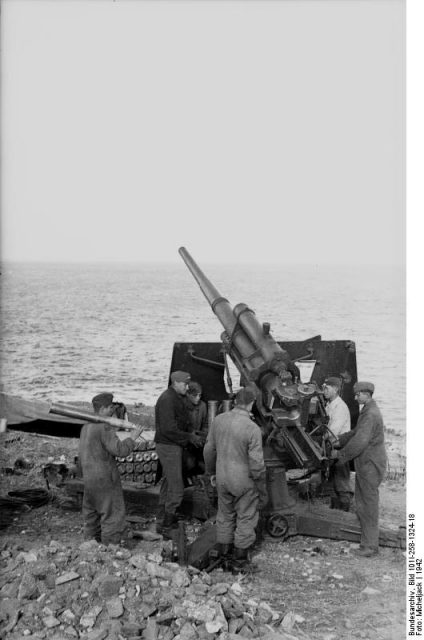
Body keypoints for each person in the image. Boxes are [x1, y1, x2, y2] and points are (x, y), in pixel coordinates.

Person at [203, 386, 267, 573]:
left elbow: (208, 450)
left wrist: (211, 472)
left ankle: (224, 555)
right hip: (243, 481)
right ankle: (239, 561)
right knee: (246, 516)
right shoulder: (252, 428)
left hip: (222, 477)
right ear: (251, 403)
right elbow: (256, 464)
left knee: (225, 515)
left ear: (235, 401)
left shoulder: (219, 420)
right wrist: (261, 485)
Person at [78, 392, 144, 545]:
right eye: (109, 407)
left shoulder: (85, 427)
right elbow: (120, 450)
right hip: (104, 478)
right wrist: (132, 437)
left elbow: (81, 455)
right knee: (112, 514)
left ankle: (90, 546)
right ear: (102, 409)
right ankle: (111, 549)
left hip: (89, 478)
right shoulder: (104, 426)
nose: (112, 411)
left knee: (91, 516)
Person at [334, 381, 387, 557]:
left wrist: (341, 457)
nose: (355, 398)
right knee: (364, 502)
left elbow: (360, 441)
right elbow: (356, 432)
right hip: (369, 463)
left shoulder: (370, 413)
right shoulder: (369, 410)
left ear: (366, 394)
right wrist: (339, 440)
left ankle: (370, 546)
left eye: (358, 395)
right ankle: (368, 542)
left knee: (367, 505)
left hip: (370, 465)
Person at [154, 371, 204, 537]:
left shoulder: (177, 397)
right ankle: (166, 525)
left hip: (172, 445)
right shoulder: (167, 400)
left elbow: (182, 422)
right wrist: (189, 437)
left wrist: (193, 433)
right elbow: (168, 429)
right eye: (184, 384)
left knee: (168, 482)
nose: (187, 387)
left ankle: (162, 518)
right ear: (175, 383)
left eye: (187, 384)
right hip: (168, 446)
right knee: (177, 487)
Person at [322, 376, 353, 511]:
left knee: (342, 483)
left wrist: (319, 438)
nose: (324, 391)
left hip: (340, 449)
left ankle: (345, 512)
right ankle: (335, 511)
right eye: (323, 388)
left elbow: (332, 431)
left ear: (335, 389)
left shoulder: (340, 407)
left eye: (327, 388)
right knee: (333, 483)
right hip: (332, 447)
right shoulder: (329, 404)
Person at [183, 381, 208, 477]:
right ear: (188, 394)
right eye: (195, 395)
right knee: (190, 464)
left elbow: (206, 424)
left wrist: (204, 435)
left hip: (198, 442)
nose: (198, 398)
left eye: (200, 395)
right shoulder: (181, 406)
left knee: (205, 465)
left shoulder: (203, 406)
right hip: (185, 443)